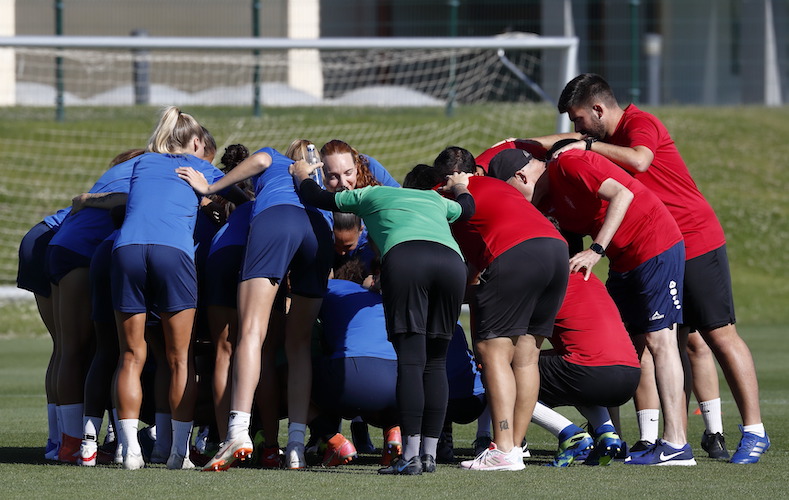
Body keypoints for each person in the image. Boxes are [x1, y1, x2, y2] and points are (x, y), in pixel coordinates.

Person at [536, 73, 768, 464]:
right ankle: (656, 438)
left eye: (578, 120)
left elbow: (641, 161)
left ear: (598, 109)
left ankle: (753, 432)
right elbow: (559, 144)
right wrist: (518, 146)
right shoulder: (593, 139)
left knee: (715, 336)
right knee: (655, 342)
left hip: (693, 239)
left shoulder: (640, 123)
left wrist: (588, 144)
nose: (576, 129)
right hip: (652, 247)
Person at [487, 145, 694, 466]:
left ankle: (676, 443)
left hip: (655, 243)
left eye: (510, 190)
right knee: (632, 345)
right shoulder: (545, 203)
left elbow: (622, 194)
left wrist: (596, 249)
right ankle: (621, 438)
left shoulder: (568, 164)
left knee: (660, 340)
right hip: (622, 259)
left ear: (521, 176)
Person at [288, 158, 474, 475]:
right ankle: (429, 456)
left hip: (407, 259)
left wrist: (303, 176)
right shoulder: (437, 201)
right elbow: (467, 210)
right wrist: (459, 186)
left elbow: (317, 198)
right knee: (436, 362)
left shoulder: (374, 194)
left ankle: (410, 456)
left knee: (412, 361)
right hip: (452, 263)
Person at [177, 142, 334, 472]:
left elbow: (260, 159)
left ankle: (237, 432)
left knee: (251, 332)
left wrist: (209, 187)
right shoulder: (316, 176)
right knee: (299, 343)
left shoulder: (274, 157)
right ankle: (295, 446)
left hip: (277, 220)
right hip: (320, 229)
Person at [428, 147, 568, 472]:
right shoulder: (501, 187)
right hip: (556, 249)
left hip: (515, 251)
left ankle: (502, 447)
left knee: (492, 351)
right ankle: (513, 448)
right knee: (526, 356)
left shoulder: (444, 192)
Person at [110, 107, 229, 470]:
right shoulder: (200, 167)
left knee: (131, 355)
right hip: (172, 254)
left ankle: (129, 451)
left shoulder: (141, 163)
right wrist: (207, 190)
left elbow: (113, 194)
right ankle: (178, 453)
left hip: (125, 250)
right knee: (180, 359)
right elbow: (242, 196)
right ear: (196, 141)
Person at [45, 148, 144, 463]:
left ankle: (63, 441)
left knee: (68, 349)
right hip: (81, 252)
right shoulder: (142, 172)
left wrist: (87, 200)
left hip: (60, 246)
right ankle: (72, 444)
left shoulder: (118, 171)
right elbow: (128, 202)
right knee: (81, 349)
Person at [531, 269, 641, 467]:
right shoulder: (588, 276)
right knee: (577, 379)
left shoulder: (543, 277)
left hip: (589, 371)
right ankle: (608, 434)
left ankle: (570, 435)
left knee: (503, 372)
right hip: (630, 374)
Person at [16, 206, 70, 460]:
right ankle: (70, 442)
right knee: (75, 349)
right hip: (60, 241)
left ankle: (56, 441)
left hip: (40, 235)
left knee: (63, 348)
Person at [319, 139, 400, 192]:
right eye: (333, 177)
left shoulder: (369, 167)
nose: (343, 183)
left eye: (348, 173)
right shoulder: (317, 187)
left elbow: (402, 199)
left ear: (356, 167)